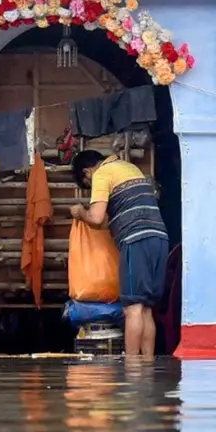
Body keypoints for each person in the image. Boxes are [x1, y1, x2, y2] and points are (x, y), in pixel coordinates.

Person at [70, 150, 168, 357]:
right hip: (159, 238)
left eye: (88, 185)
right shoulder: (129, 168)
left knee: (132, 308)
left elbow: (96, 218)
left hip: (136, 239)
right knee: (146, 308)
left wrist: (80, 212)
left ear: (87, 172)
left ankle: (132, 369)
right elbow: (108, 221)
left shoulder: (102, 174)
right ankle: (147, 365)